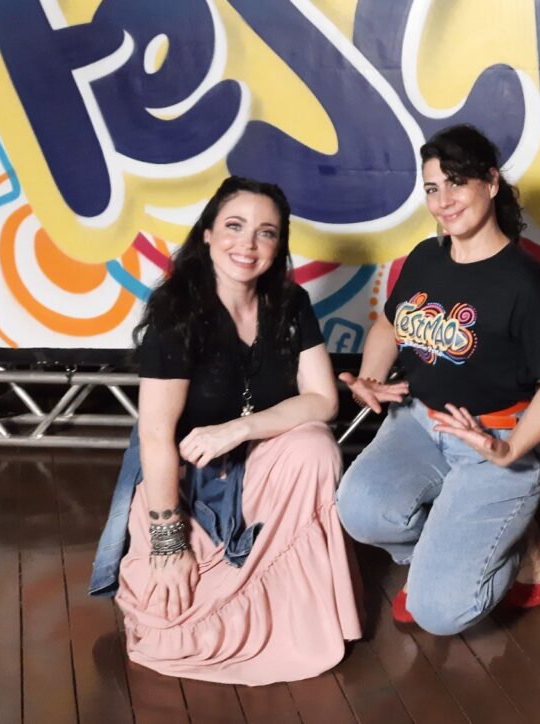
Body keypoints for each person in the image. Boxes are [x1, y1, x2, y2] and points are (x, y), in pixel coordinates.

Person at [89, 176, 361, 685]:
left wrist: (239, 429)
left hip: (261, 464)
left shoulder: (290, 303)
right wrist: (169, 544)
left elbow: (323, 400)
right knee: (168, 630)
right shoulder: (177, 312)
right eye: (234, 226)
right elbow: (155, 437)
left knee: (315, 448)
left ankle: (292, 611)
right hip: (186, 479)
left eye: (266, 233)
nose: (248, 244)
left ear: (278, 245)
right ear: (208, 234)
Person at [336, 125, 540, 635]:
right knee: (360, 511)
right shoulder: (426, 258)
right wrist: (372, 377)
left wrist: (511, 450)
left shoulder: (527, 283)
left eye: (457, 182)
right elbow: (389, 324)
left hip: (495, 438)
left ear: (490, 183)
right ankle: (452, 548)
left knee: (439, 613)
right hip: (419, 423)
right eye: (432, 188)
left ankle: (516, 545)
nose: (443, 201)